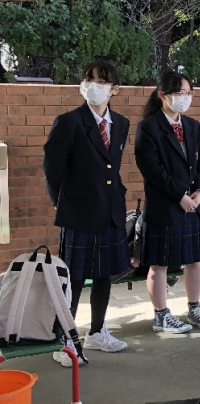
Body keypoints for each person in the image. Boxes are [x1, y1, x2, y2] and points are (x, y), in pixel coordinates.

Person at [43, 61, 132, 364]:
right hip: (78, 212)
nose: (94, 85)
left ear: (114, 89)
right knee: (75, 279)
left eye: (102, 81)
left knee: (105, 275)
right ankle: (66, 341)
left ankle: (97, 332)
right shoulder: (68, 122)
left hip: (111, 210)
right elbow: (52, 169)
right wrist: (61, 203)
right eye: (89, 79)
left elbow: (111, 166)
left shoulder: (121, 123)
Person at [134, 71, 200, 334]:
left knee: (195, 261)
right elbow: (152, 169)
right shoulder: (148, 127)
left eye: (189, 93)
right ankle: (161, 315)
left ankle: (194, 308)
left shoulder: (193, 125)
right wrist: (180, 195)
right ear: (163, 95)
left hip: (194, 206)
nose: (185, 98)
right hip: (165, 205)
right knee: (159, 264)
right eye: (180, 93)